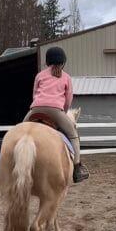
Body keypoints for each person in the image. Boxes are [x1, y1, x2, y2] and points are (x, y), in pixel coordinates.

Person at [24, 46, 90, 183]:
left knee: (20, 132)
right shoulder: (66, 77)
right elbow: (68, 99)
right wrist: (63, 112)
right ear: (63, 61)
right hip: (55, 110)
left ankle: (10, 161)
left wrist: (37, 106)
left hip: (36, 109)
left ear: (47, 61)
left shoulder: (40, 75)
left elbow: (34, 94)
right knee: (73, 136)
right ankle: (77, 169)